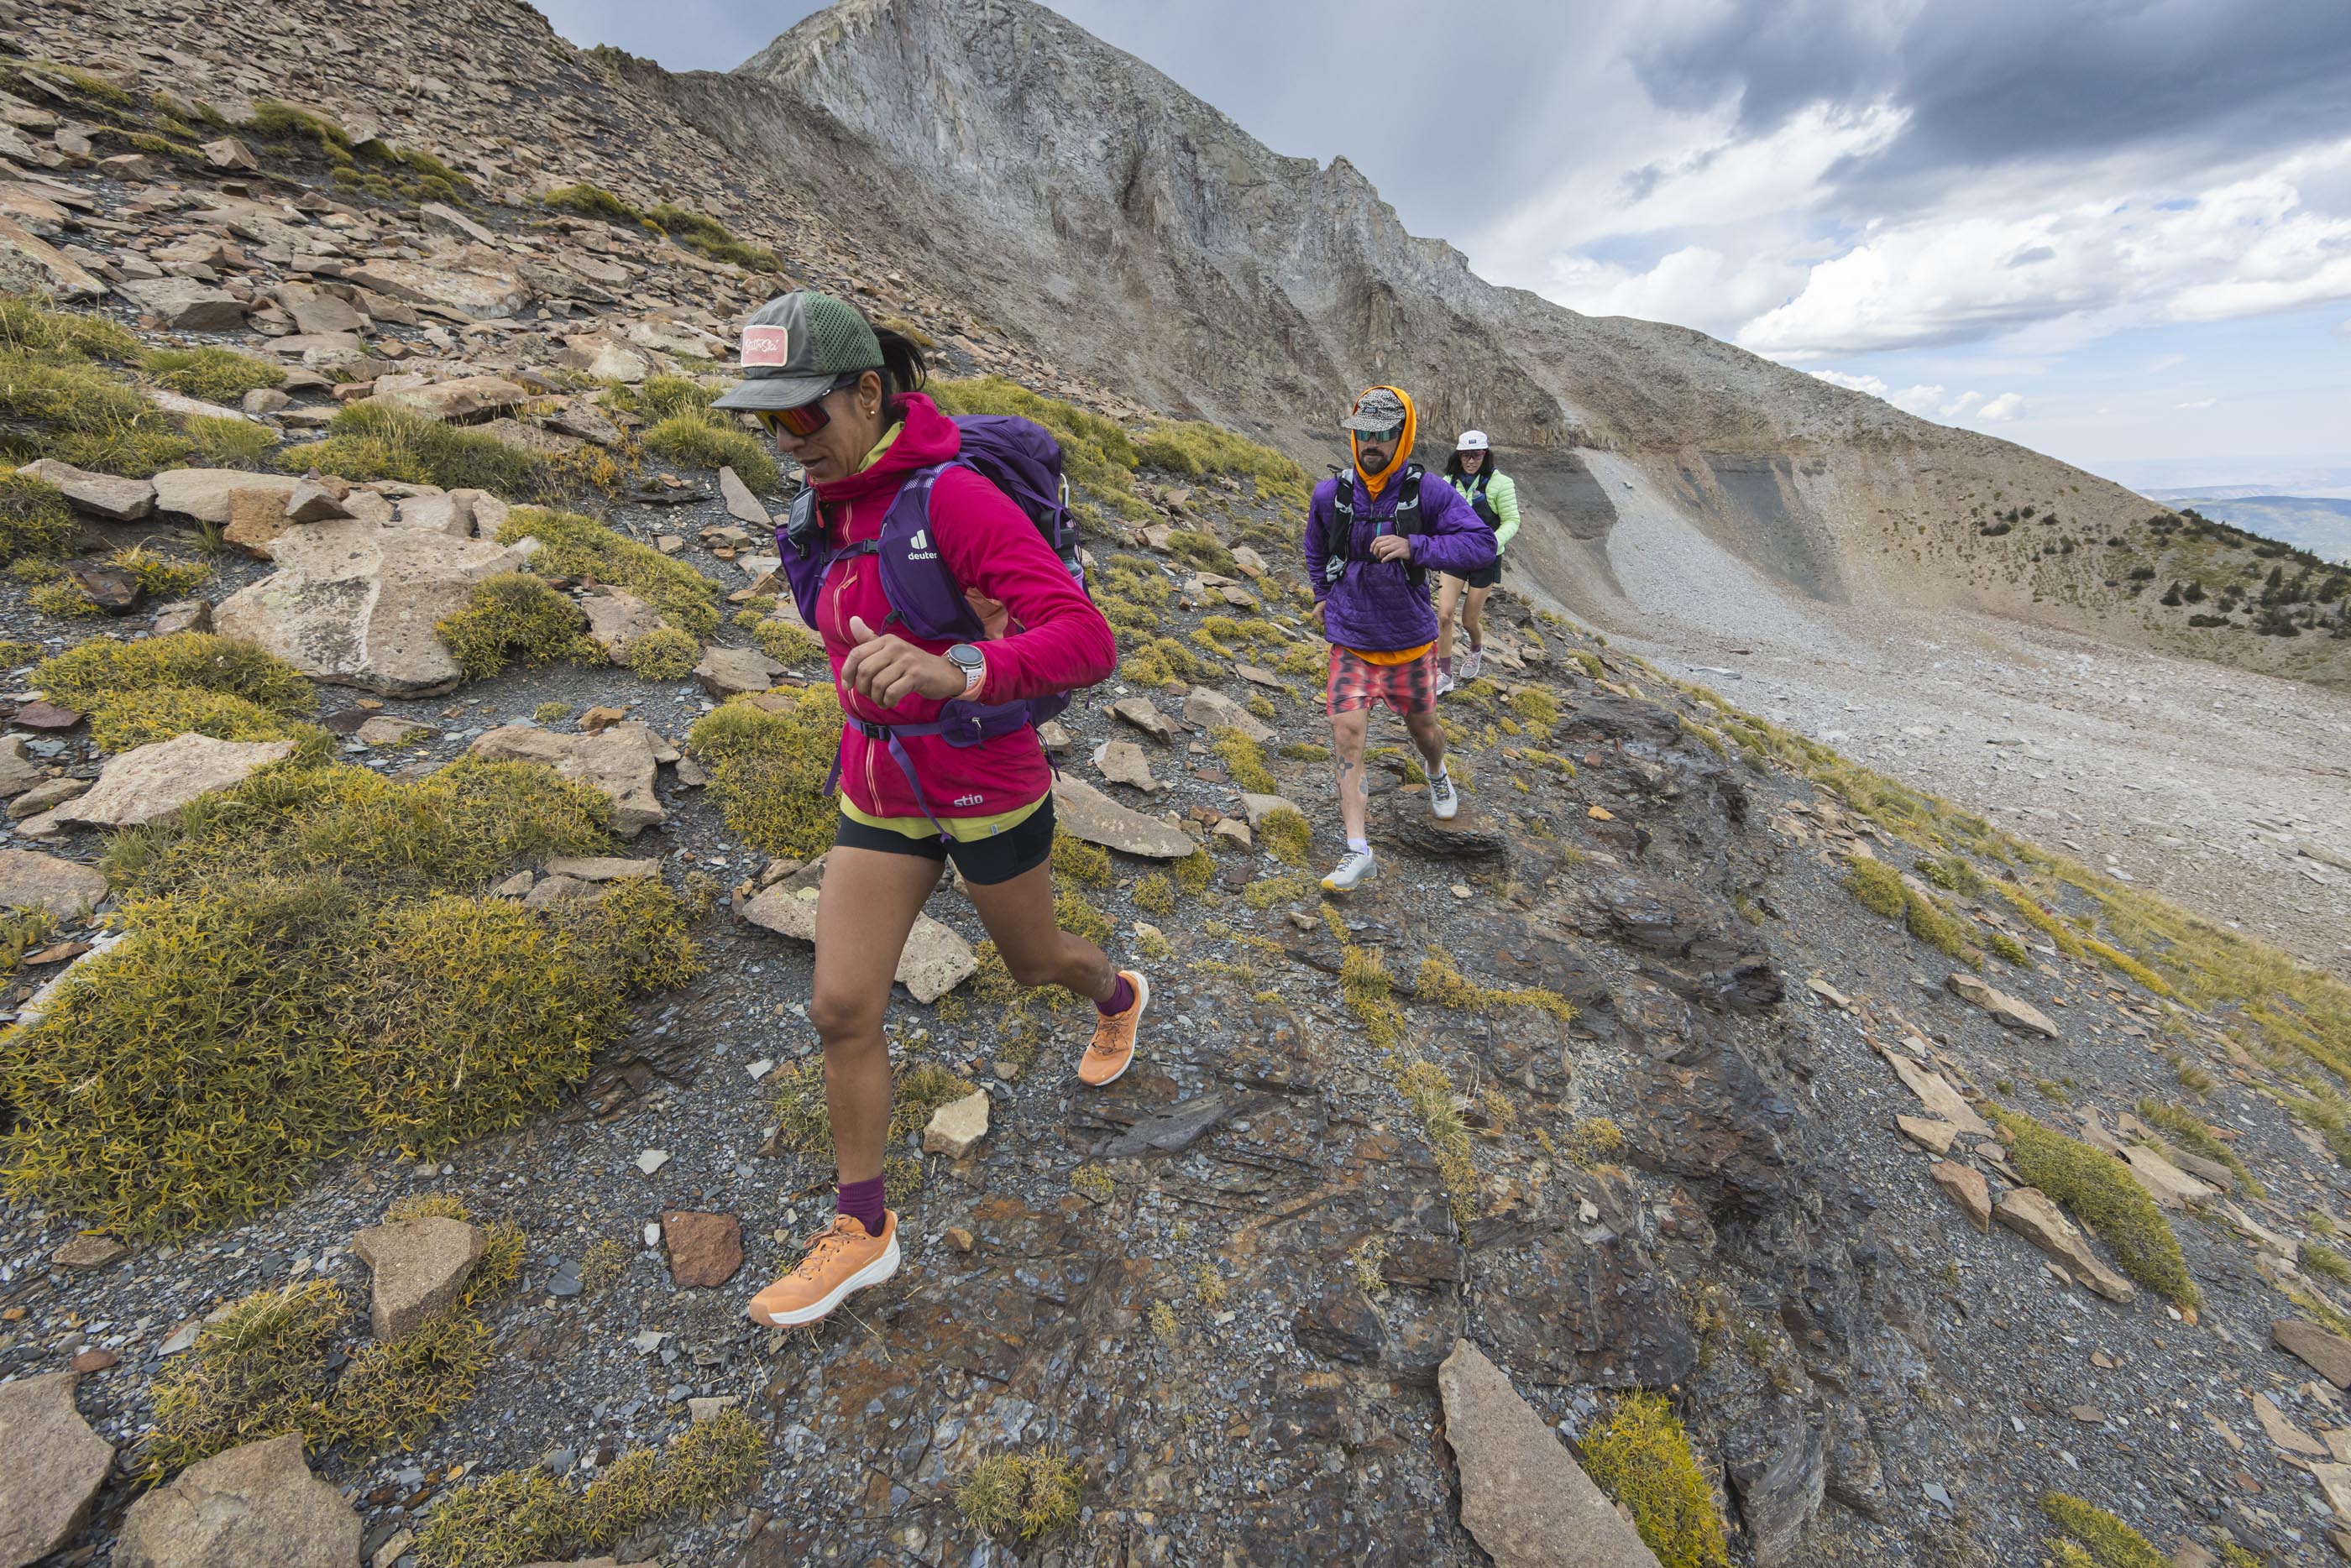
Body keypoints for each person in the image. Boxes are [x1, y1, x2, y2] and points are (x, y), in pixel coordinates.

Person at [710, 290, 1146, 1328]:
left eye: (801, 417)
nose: (787, 445)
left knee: (1037, 963)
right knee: (840, 1006)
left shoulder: (953, 499)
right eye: (766, 423)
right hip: (879, 789)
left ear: (868, 393)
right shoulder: (818, 511)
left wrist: (959, 665)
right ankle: (862, 1231)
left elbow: (1086, 641)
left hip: (987, 784)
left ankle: (1118, 991)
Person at [1302, 385, 1497, 891]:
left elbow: (1481, 544)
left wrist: (1416, 546)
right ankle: (1357, 849)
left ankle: (1437, 771)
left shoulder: (1427, 491)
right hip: (1351, 639)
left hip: (1410, 641)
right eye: (1363, 432)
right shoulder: (1332, 494)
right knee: (1347, 734)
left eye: (1383, 434)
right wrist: (1322, 593)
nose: (1371, 443)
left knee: (1424, 729)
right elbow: (1316, 547)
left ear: (1402, 435)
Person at [1434, 429, 1519, 693]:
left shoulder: (1501, 484)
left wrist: (1492, 543)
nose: (1471, 461)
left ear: (1485, 454)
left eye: (1477, 455)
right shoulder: (1447, 482)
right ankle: (1444, 674)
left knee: (1469, 620)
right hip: (1457, 554)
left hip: (1485, 557)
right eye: (1466, 455)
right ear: (1458, 455)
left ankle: (1475, 649)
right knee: (1445, 615)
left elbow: (1512, 520)